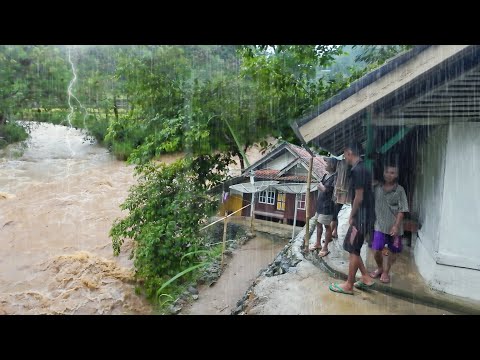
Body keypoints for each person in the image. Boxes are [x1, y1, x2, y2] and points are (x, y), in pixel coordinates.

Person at [329, 142, 375, 295]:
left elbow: (359, 197)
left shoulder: (357, 170)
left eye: (344, 155)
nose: (344, 158)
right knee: (352, 246)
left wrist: (352, 215)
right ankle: (366, 277)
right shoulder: (365, 168)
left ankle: (349, 284)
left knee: (352, 247)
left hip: (361, 216)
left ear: (349, 152)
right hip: (367, 215)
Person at [369, 163, 409, 283]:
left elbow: (402, 209)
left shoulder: (400, 190)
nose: (389, 175)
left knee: (392, 252)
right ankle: (380, 267)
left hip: (395, 226)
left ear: (397, 175)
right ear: (383, 173)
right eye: (387, 172)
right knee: (377, 250)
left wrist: (396, 226)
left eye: (393, 173)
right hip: (379, 225)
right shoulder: (377, 187)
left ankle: (386, 271)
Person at [310, 157, 338, 257]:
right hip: (320, 204)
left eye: (327, 163)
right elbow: (321, 186)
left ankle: (325, 247)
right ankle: (317, 243)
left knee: (326, 226)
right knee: (318, 223)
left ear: (332, 165)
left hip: (328, 205)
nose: (325, 165)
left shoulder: (335, 177)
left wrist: (322, 188)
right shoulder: (326, 175)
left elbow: (328, 190)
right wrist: (322, 187)